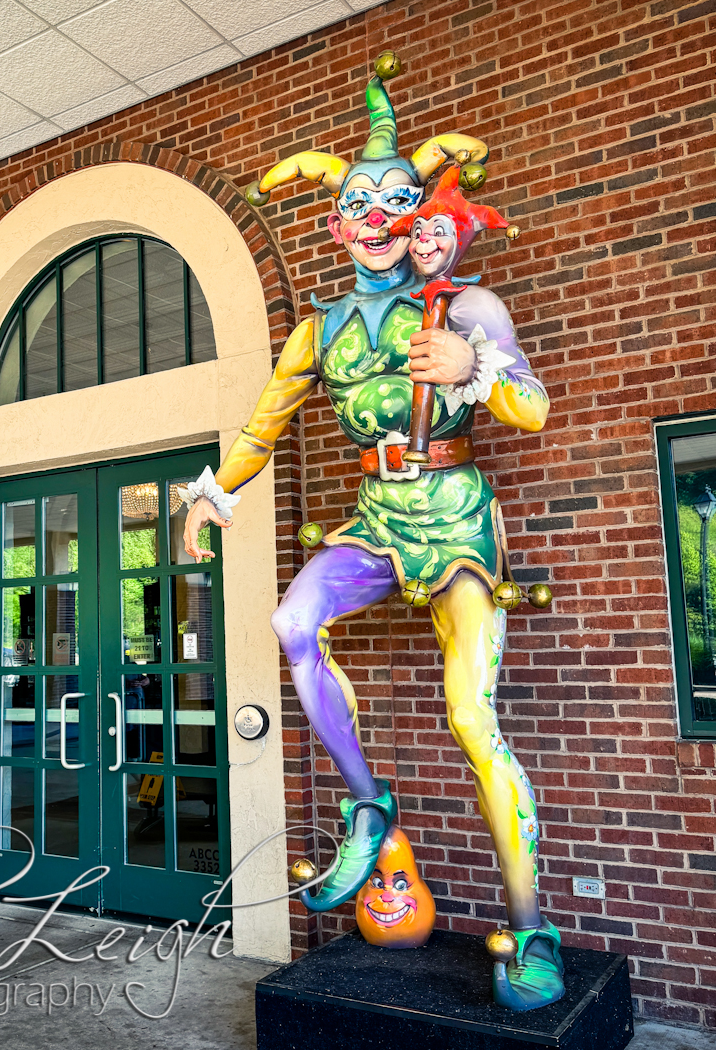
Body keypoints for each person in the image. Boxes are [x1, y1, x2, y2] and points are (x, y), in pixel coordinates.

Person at [180, 57, 563, 1011]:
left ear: (415, 217)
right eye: (363, 201)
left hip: (459, 517)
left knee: (473, 718)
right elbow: (262, 431)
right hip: (376, 515)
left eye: (402, 199)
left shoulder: (467, 303)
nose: (383, 215)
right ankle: (367, 800)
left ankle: (531, 923)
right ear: (339, 221)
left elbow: (532, 408)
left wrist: (473, 361)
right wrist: (205, 494)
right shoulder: (319, 330)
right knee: (291, 624)